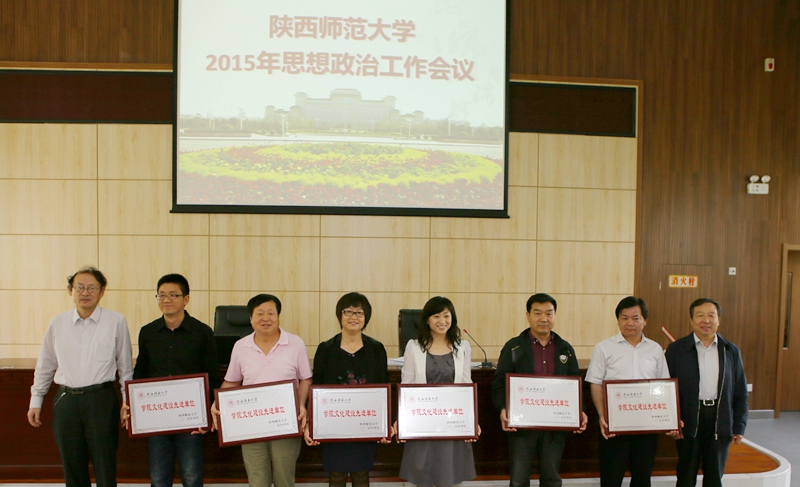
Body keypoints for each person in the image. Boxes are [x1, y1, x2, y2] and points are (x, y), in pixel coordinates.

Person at [27, 266, 133, 487]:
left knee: (105, 465)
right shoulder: (57, 323)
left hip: (101, 400)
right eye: (80, 287)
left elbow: (125, 368)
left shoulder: (116, 321)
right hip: (67, 401)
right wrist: (36, 400)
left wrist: (127, 401)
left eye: (91, 288)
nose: (85, 292)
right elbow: (45, 365)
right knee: (72, 467)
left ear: (102, 292)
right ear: (70, 291)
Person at [127, 274, 222, 487]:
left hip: (190, 417)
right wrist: (135, 405)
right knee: (159, 478)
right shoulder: (148, 332)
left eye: (172, 295)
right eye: (161, 295)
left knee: (191, 477)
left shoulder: (202, 332)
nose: (166, 300)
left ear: (186, 299)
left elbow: (212, 374)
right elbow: (141, 372)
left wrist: (206, 415)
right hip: (157, 416)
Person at [211, 294, 312, 487]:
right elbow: (232, 381)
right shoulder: (240, 346)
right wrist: (218, 402)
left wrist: (301, 404)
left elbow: (305, 378)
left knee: (284, 480)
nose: (266, 318)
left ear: (278, 316)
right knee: (257, 480)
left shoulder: (295, 343)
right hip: (252, 424)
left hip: (286, 422)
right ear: (250, 318)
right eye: (259, 313)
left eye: (271, 313)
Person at [492, 293, 588, 487]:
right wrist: (503, 408)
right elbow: (500, 383)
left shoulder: (565, 349)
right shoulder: (514, 347)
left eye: (549, 313)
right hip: (522, 425)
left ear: (554, 316)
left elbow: (575, 386)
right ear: (528, 315)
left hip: (555, 425)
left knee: (551, 478)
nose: (544, 318)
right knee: (519, 480)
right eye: (537, 313)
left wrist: (580, 411)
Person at [304, 292, 391, 487]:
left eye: (359, 313)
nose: (354, 317)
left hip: (364, 421)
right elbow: (315, 388)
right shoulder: (326, 349)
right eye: (348, 312)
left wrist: (385, 423)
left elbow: (383, 387)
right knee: (336, 474)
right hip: (333, 423)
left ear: (366, 317)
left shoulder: (376, 349)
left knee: (361, 473)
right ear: (340, 315)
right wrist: (311, 422)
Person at [585, 296, 670, 487]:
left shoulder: (655, 349)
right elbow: (596, 383)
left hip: (647, 424)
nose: (630, 323)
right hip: (614, 424)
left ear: (645, 320)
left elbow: (663, 385)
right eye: (624, 318)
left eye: (636, 318)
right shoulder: (604, 348)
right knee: (611, 476)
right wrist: (602, 415)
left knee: (642, 476)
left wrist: (667, 418)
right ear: (618, 320)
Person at [665, 298, 748, 487]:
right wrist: (672, 421)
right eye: (700, 315)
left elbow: (740, 392)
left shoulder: (730, 350)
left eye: (711, 315)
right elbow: (667, 389)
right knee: (686, 475)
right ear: (691, 320)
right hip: (689, 420)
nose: (706, 320)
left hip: (720, 420)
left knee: (714, 476)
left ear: (719, 320)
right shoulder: (677, 349)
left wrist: (739, 426)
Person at [399, 296, 478, 487]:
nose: (442, 321)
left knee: (447, 476)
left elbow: (466, 386)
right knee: (423, 477)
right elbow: (407, 386)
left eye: (446, 316)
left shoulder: (462, 347)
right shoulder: (413, 347)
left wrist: (472, 420)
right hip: (422, 420)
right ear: (427, 320)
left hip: (452, 422)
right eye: (436, 316)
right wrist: (401, 419)